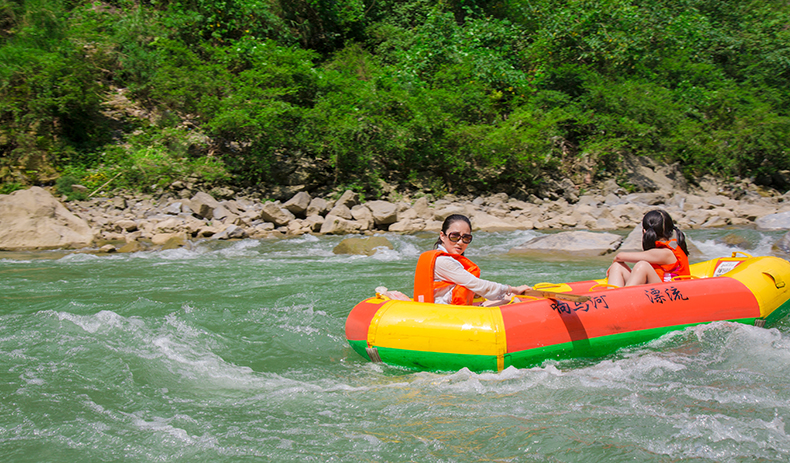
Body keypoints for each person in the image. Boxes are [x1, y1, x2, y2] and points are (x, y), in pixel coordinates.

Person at [413, 214, 532, 305]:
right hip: (444, 314)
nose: (460, 242)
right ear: (442, 236)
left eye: (466, 238)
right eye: (454, 236)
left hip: (445, 308)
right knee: (512, 299)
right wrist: (514, 289)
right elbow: (476, 284)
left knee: (506, 297)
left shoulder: (444, 258)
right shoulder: (443, 261)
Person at [606, 209, 690, 287]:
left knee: (642, 266)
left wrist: (614, 260)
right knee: (617, 266)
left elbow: (619, 256)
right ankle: (612, 299)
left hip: (669, 296)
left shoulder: (666, 253)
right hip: (654, 293)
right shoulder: (665, 250)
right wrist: (615, 263)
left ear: (644, 231)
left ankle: (623, 297)